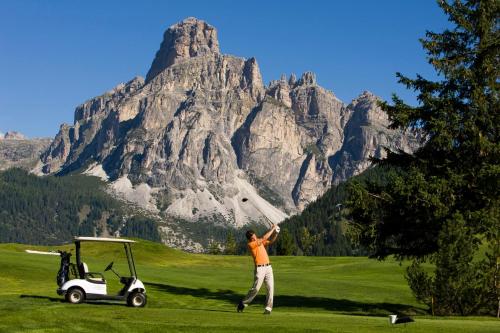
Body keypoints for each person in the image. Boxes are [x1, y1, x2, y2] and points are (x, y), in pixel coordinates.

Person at [237, 224, 279, 315]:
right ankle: (243, 303)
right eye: (253, 238)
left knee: (270, 288)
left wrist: (276, 233)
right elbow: (264, 237)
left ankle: (268, 308)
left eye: (255, 236)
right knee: (255, 289)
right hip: (259, 269)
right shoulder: (251, 244)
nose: (254, 239)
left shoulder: (259, 241)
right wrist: (272, 228)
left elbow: (270, 241)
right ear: (250, 239)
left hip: (268, 267)